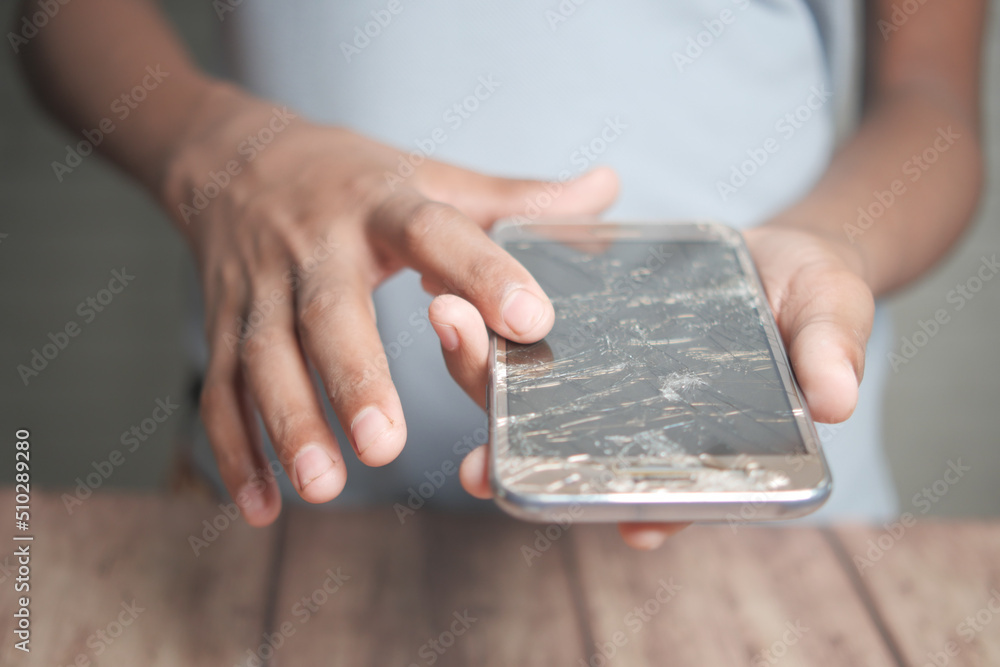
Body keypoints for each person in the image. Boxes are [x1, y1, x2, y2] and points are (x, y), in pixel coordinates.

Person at [16, 0, 984, 549]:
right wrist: (221, 151)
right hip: (282, 529)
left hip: (781, 565)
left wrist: (828, 243)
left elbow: (930, 95)